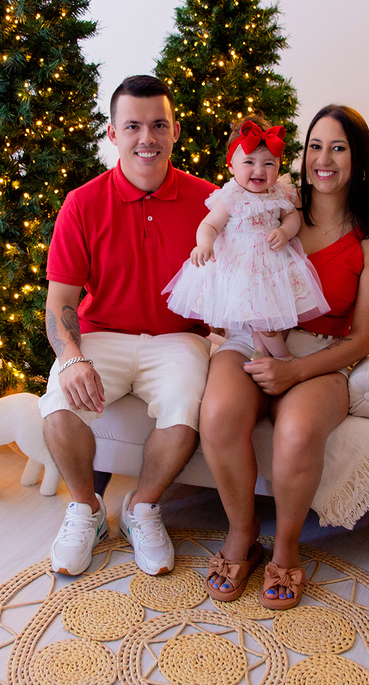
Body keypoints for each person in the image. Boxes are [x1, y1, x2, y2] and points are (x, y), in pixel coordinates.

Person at [198, 104, 369, 609]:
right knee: (218, 414)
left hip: (324, 353)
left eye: (338, 147)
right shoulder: (270, 203)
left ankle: (285, 550)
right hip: (249, 338)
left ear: (360, 160)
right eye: (315, 146)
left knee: (298, 430)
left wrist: (292, 372)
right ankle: (242, 537)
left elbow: (363, 337)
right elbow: (223, 255)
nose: (323, 160)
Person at [40, 75, 217, 577]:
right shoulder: (82, 203)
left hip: (178, 339)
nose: (147, 137)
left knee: (184, 411)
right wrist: (72, 359)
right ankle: (87, 510)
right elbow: (59, 304)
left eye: (158, 124)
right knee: (57, 407)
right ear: (113, 133)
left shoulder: (209, 204)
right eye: (133, 126)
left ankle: (142, 507)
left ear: (176, 130)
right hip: (101, 336)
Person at [163, 117, 329, 360]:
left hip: (272, 266)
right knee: (265, 323)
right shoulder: (231, 196)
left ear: (279, 165)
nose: (259, 170)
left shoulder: (279, 192)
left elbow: (293, 217)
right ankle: (284, 358)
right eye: (249, 162)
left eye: (269, 164)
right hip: (241, 268)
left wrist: (285, 231)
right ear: (231, 166)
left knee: (270, 319)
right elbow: (209, 224)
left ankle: (260, 352)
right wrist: (205, 244)